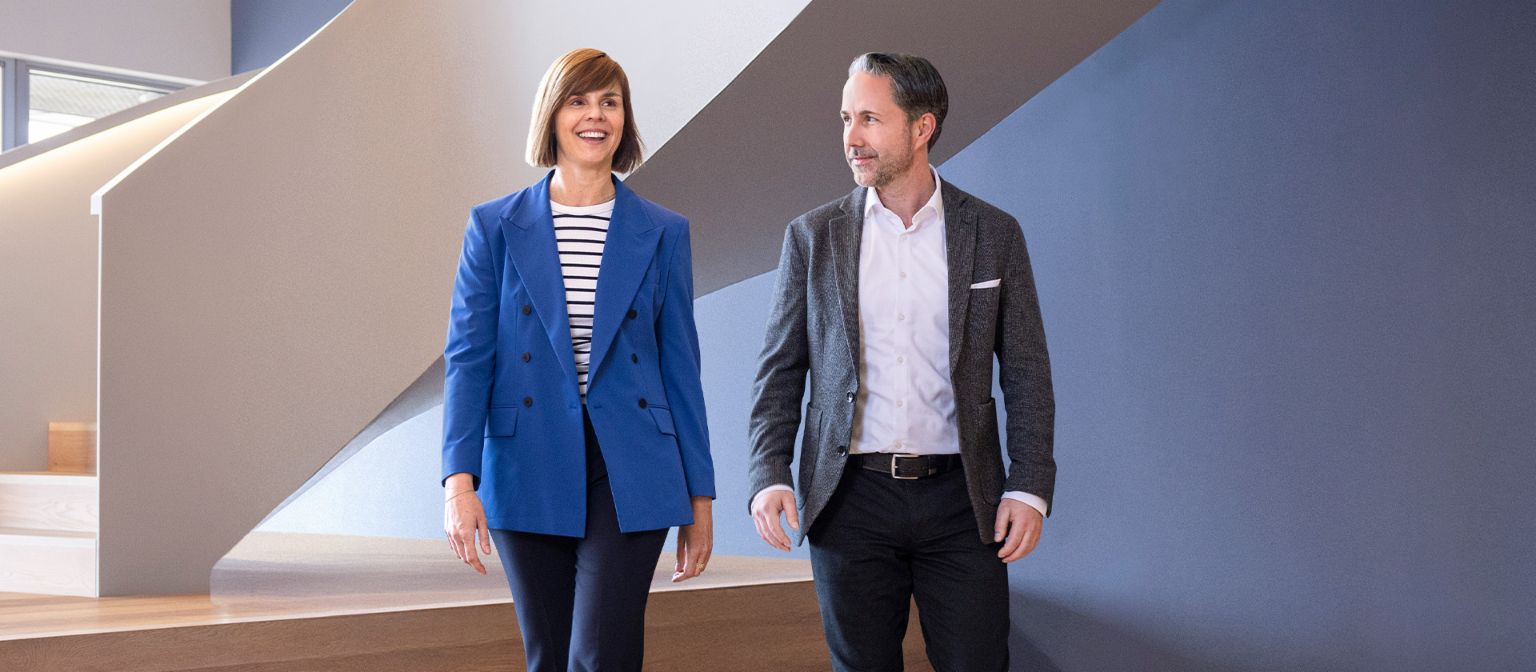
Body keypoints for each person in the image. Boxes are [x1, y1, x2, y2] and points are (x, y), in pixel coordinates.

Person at [747, 52, 1055, 671]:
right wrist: (769, 472)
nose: (851, 139)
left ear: (922, 127)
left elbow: (1025, 370)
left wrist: (1029, 485)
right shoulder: (812, 236)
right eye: (845, 118)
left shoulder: (993, 233)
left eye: (869, 119)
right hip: (849, 500)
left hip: (963, 502)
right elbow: (781, 367)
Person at [441, 47, 714, 672]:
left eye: (610, 102)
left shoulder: (664, 230)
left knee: (603, 653)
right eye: (579, 101)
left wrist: (700, 501)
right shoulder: (494, 226)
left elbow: (682, 371)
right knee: (549, 656)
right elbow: (468, 358)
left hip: (633, 465)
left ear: (625, 119)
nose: (596, 116)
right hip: (525, 458)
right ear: (553, 116)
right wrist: (460, 484)